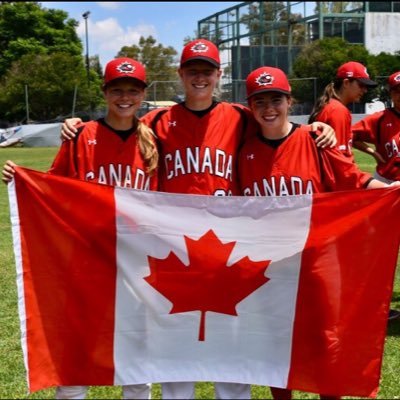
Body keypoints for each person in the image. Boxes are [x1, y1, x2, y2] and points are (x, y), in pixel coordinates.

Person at [60, 39, 337, 399]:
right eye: (192, 70)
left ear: (219, 74)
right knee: (174, 336)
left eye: (207, 70)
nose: (199, 77)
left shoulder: (240, 117)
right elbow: (119, 124)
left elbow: (279, 128)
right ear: (180, 74)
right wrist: (76, 125)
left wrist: (316, 129)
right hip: (171, 246)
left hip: (227, 246)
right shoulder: (156, 122)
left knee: (232, 335)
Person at [238, 66, 399, 400]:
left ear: (289, 100)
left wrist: (390, 189)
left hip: (317, 257)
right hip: (270, 262)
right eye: (260, 101)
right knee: (276, 338)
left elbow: (352, 178)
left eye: (276, 100)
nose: (269, 108)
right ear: (250, 107)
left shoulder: (314, 140)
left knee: (326, 337)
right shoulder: (245, 152)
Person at [2, 57, 158, 399]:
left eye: (132, 91)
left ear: (143, 95)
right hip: (86, 262)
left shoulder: (153, 144)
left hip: (136, 263)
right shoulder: (81, 135)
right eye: (117, 90)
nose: (124, 97)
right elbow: (53, 190)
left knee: (137, 354)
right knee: (76, 352)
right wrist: (22, 180)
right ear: (105, 93)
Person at [351, 70, 400, 321]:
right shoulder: (380, 119)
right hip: (387, 185)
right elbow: (352, 136)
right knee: (380, 246)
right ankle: (379, 301)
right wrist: (373, 153)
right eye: (396, 91)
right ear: (390, 93)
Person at [308, 61, 378, 161]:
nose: (365, 90)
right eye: (361, 85)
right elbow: (340, 157)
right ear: (346, 83)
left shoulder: (330, 106)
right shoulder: (338, 110)